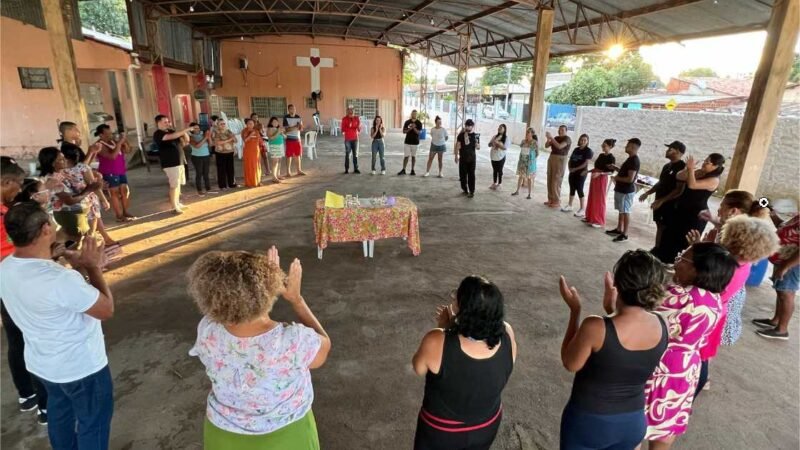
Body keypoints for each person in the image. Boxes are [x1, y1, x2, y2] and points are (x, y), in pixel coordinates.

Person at [188, 246, 331, 449]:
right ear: (266, 292)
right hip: (286, 436)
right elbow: (324, 348)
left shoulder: (207, 329)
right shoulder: (293, 340)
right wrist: (297, 300)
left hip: (223, 437)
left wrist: (266, 282)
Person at [0, 202, 115, 449]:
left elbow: (38, 284)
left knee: (60, 417)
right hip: (82, 368)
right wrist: (93, 267)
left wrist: (53, 258)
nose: (55, 226)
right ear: (44, 230)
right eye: (51, 222)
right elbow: (105, 309)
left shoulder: (5, 268)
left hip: (44, 365)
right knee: (92, 424)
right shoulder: (60, 279)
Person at [558, 250, 669, 450]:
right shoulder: (663, 325)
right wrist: (612, 309)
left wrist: (575, 311)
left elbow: (570, 362)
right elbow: (626, 349)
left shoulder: (595, 326)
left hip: (590, 422)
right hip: (633, 422)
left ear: (617, 284)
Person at [644, 242, 737, 450]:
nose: (677, 262)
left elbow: (642, 322)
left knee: (637, 424)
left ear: (697, 270)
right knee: (666, 426)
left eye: (682, 259)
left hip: (661, 365)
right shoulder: (715, 299)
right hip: (686, 369)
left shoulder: (679, 297)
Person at [411, 275, 517, 450]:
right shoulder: (507, 333)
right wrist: (453, 325)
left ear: (463, 310)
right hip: (486, 426)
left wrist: (444, 328)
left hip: (442, 432)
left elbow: (418, 367)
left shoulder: (436, 340)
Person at [686, 204, 778, 394]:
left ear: (734, 240)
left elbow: (702, 285)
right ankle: (699, 378)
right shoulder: (740, 264)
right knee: (703, 352)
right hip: (718, 313)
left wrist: (695, 250)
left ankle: (696, 381)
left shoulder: (729, 268)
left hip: (706, 315)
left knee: (697, 352)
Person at [0, 158, 49, 425]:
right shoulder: (4, 216)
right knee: (34, 340)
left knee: (16, 339)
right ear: (5, 182)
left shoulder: (4, 210)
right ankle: (45, 406)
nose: (18, 191)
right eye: (17, 185)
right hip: (16, 283)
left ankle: (26, 394)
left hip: (6, 285)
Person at [652, 153, 725, 263]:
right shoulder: (699, 172)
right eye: (705, 160)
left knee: (682, 240)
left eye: (708, 162)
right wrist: (687, 169)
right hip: (681, 210)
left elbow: (692, 185)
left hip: (695, 214)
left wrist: (691, 170)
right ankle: (662, 259)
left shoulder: (714, 180)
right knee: (669, 234)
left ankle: (675, 263)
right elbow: (679, 176)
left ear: (716, 166)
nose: (704, 163)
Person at [753, 212, 799, 340]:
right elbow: (785, 228)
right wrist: (773, 216)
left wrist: (786, 266)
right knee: (781, 291)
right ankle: (776, 321)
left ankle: (782, 330)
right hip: (785, 259)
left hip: (794, 262)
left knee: (787, 293)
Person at [60, 145, 118, 247]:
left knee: (90, 224)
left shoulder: (60, 170)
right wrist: (104, 199)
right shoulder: (82, 167)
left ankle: (105, 239)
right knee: (91, 228)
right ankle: (91, 248)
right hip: (87, 201)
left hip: (73, 201)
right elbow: (94, 186)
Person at [39, 147, 96, 240]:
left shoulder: (63, 174)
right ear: (53, 163)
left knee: (77, 240)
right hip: (68, 214)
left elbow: (76, 189)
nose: (65, 160)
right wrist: (90, 189)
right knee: (75, 240)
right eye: (61, 159)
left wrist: (92, 185)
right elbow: (70, 200)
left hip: (75, 212)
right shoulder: (53, 180)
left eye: (64, 157)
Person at [639, 141, 687, 248]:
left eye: (670, 149)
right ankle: (657, 248)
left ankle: (660, 250)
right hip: (660, 202)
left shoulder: (682, 167)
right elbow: (661, 183)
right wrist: (648, 192)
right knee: (659, 225)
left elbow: (679, 190)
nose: (667, 151)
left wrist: (662, 200)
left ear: (678, 152)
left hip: (670, 204)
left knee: (666, 227)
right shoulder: (667, 166)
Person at [91, 124, 135, 222]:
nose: (110, 135)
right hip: (109, 172)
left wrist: (124, 140)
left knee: (125, 191)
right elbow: (112, 156)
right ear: (101, 135)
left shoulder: (113, 142)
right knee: (114, 193)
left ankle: (125, 212)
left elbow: (127, 150)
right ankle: (119, 215)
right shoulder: (100, 145)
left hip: (120, 171)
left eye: (110, 133)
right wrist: (119, 143)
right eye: (107, 134)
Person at [153, 115, 193, 214]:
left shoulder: (171, 131)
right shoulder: (158, 133)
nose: (167, 123)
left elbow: (186, 141)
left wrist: (184, 132)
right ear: (158, 123)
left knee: (178, 184)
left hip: (179, 161)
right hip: (170, 163)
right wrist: (185, 129)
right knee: (174, 185)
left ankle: (177, 202)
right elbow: (169, 137)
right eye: (165, 122)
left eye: (168, 121)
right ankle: (174, 206)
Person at [605, 138, 641, 243]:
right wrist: (615, 168)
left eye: (628, 145)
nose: (626, 147)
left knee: (626, 211)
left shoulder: (634, 160)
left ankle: (625, 234)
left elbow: (630, 179)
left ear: (634, 147)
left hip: (626, 191)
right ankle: (619, 229)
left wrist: (616, 178)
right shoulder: (630, 159)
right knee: (621, 210)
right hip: (621, 190)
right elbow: (625, 172)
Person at [584, 139, 616, 229]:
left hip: (602, 179)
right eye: (602, 144)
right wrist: (588, 171)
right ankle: (590, 217)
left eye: (605, 145)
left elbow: (611, 172)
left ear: (610, 147)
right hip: (594, 177)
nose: (602, 146)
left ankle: (598, 220)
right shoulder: (601, 155)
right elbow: (596, 167)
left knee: (599, 199)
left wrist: (600, 174)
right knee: (592, 197)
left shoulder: (611, 158)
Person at [562, 134, 593, 216]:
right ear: (579, 140)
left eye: (585, 140)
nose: (583, 141)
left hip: (581, 173)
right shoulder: (576, 149)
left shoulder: (588, 151)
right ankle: (570, 205)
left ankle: (582, 209)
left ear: (587, 142)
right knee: (572, 188)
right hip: (572, 172)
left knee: (579, 189)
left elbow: (585, 163)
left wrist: (575, 169)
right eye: (581, 140)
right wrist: (569, 168)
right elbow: (570, 160)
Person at [543, 125, 572, 208]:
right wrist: (549, 139)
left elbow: (559, 146)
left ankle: (556, 200)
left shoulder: (567, 139)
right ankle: (550, 199)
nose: (560, 131)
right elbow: (546, 145)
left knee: (556, 179)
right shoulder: (555, 137)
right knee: (550, 178)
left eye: (562, 130)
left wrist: (551, 138)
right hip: (552, 157)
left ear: (566, 131)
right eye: (559, 130)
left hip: (560, 159)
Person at [511, 128, 538, 199]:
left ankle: (529, 194)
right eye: (527, 132)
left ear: (532, 134)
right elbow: (521, 147)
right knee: (520, 176)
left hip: (529, 162)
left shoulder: (534, 142)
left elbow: (537, 153)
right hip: (522, 161)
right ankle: (517, 191)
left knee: (529, 178)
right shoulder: (523, 141)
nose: (527, 134)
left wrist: (532, 160)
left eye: (528, 132)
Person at [455, 119, 479, 198]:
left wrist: (476, 143)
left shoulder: (476, 136)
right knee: (462, 175)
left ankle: (472, 191)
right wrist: (456, 156)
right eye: (466, 126)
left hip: (472, 159)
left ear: (472, 126)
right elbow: (457, 145)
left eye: (469, 126)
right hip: (463, 158)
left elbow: (478, 147)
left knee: (471, 175)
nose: (468, 127)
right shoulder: (461, 135)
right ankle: (465, 189)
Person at [188, 122, 214, 196]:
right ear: (191, 129)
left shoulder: (203, 135)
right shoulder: (191, 137)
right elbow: (197, 146)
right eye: (195, 128)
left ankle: (208, 188)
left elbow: (211, 144)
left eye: (198, 128)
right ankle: (199, 189)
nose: (197, 129)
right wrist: (205, 137)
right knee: (199, 173)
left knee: (206, 173)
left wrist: (208, 137)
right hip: (196, 157)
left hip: (206, 156)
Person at [213, 119, 238, 190]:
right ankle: (222, 185)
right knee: (221, 170)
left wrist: (233, 138)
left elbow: (236, 140)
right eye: (221, 124)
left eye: (224, 123)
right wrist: (230, 139)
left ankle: (232, 184)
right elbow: (217, 142)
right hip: (220, 153)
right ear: (218, 125)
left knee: (230, 169)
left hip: (230, 152)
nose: (223, 125)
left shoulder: (228, 131)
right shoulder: (216, 132)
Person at [283, 104, 306, 176]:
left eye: (294, 109)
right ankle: (288, 172)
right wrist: (296, 126)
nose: (293, 110)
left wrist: (301, 127)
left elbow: (301, 129)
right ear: (288, 110)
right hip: (289, 138)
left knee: (298, 155)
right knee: (289, 156)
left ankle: (299, 170)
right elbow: (286, 130)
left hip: (297, 138)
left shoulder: (298, 117)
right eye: (291, 109)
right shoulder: (286, 117)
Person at [399, 110, 423, 176]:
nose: (414, 115)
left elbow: (419, 132)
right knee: (406, 156)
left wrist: (414, 128)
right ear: (411, 114)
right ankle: (403, 169)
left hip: (415, 142)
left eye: (415, 114)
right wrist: (410, 128)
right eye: (413, 113)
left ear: (416, 115)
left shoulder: (419, 123)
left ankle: (412, 170)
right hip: (407, 142)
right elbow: (404, 131)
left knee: (413, 157)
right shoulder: (407, 122)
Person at [241, 118, 263, 188]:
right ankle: (250, 183)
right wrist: (251, 135)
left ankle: (258, 181)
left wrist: (262, 144)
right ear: (246, 124)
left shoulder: (256, 131)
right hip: (248, 152)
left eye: (252, 123)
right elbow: (245, 140)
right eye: (249, 123)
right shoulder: (244, 131)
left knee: (257, 166)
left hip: (256, 151)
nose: (251, 125)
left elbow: (260, 141)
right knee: (250, 166)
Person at [488, 124, 509, 191]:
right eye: (499, 127)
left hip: (501, 157)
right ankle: (494, 183)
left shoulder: (506, 138)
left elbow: (505, 148)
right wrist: (492, 143)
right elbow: (489, 144)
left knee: (499, 170)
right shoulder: (495, 136)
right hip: (493, 156)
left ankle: (499, 184)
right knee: (494, 170)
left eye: (501, 128)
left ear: (504, 129)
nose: (499, 128)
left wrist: (498, 144)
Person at [267, 117, 286, 184]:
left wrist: (282, 133)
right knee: (275, 162)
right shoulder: (270, 129)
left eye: (276, 122)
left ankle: (278, 174)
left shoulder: (278, 129)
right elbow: (271, 138)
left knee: (279, 161)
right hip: (274, 146)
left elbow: (285, 137)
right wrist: (278, 132)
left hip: (280, 146)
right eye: (273, 122)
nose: (275, 123)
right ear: (271, 123)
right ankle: (274, 177)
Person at [342, 107, 361, 174]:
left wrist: (357, 127)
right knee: (347, 154)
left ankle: (356, 168)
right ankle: (346, 169)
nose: (351, 112)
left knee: (355, 154)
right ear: (347, 112)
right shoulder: (344, 119)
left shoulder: (357, 118)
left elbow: (359, 129)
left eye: (352, 111)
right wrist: (350, 127)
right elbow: (343, 129)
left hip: (355, 139)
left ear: (354, 112)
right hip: (347, 139)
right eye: (350, 111)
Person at [251, 113, 270, 178]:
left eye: (256, 117)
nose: (255, 118)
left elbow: (263, 133)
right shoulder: (250, 125)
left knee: (265, 156)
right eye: (254, 117)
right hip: (254, 143)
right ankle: (258, 171)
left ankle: (268, 170)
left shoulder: (260, 125)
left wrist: (260, 131)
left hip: (262, 142)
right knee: (257, 158)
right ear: (251, 118)